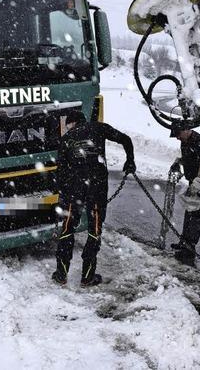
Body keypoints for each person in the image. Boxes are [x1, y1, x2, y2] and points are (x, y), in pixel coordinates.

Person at [52, 110, 136, 287]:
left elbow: (60, 172)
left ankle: (61, 275)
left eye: (68, 125)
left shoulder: (66, 139)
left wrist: (62, 193)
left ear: (72, 123)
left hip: (74, 190)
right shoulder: (98, 127)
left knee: (67, 229)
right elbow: (126, 139)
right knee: (94, 230)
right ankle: (88, 276)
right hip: (97, 188)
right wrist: (130, 161)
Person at [169, 122, 200, 265]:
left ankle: (190, 247)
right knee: (189, 213)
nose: (177, 138)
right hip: (192, 181)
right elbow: (189, 158)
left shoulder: (198, 141)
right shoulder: (185, 141)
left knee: (197, 215)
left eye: (178, 134)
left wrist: (198, 181)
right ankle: (184, 242)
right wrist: (179, 162)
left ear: (185, 130)